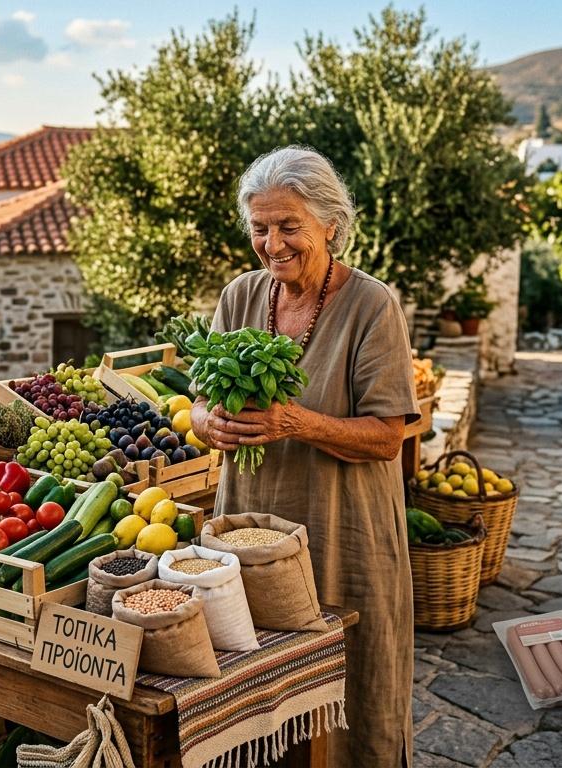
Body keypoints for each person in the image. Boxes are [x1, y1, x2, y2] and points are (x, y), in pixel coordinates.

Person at [190, 146, 420, 767]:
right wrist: (208, 423)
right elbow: (198, 404)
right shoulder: (240, 297)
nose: (273, 243)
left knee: (351, 689)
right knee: (256, 695)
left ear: (330, 226)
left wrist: (294, 422)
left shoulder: (372, 306)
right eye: (260, 227)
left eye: (290, 226)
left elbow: (387, 437)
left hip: (341, 534)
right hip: (248, 537)